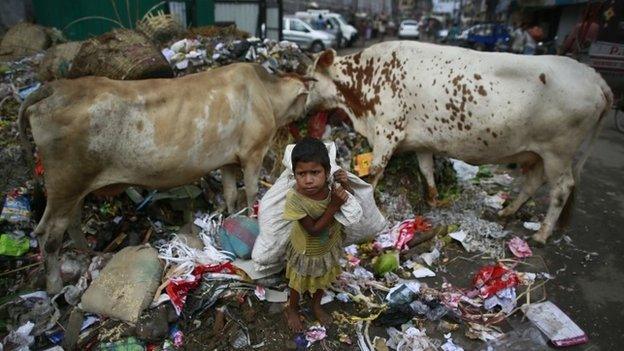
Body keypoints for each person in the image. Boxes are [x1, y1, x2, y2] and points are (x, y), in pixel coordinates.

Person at [282, 137, 350, 331]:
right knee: (298, 282)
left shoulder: (330, 186)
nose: (309, 179)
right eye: (301, 174)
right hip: (307, 250)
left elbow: (348, 200)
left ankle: (315, 304)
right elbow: (312, 229)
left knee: (322, 277)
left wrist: (345, 186)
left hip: (327, 245)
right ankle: (292, 308)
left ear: (327, 172)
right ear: (294, 174)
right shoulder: (295, 199)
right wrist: (334, 205)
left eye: (315, 172)